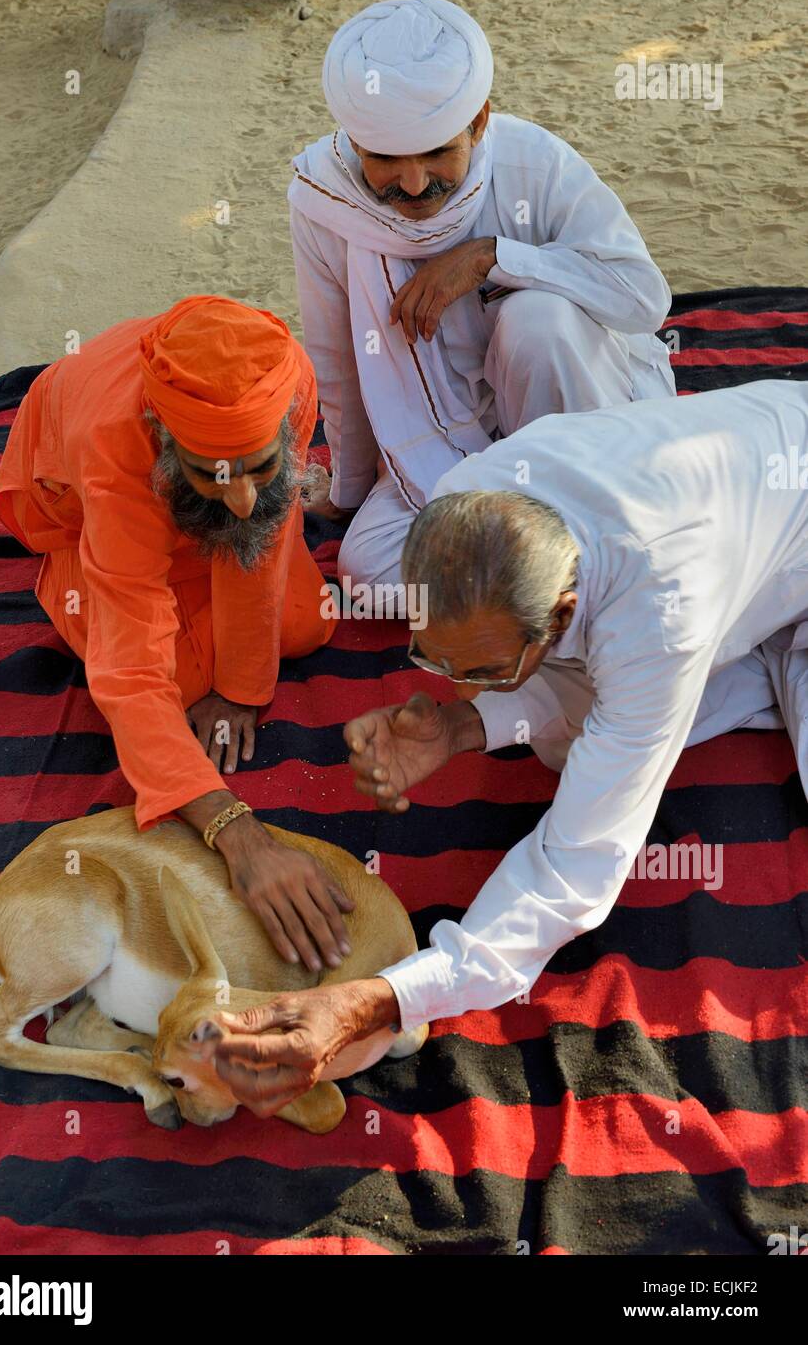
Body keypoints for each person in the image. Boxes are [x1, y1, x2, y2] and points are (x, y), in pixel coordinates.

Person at [200, 378, 808, 1118]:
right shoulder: (468, 497)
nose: (454, 687)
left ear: (563, 611)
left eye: (481, 672)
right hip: (743, 524)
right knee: (572, 745)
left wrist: (381, 999)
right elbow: (571, 684)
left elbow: (572, 873)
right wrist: (465, 726)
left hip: (770, 532)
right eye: (435, 660)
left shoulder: (660, 613)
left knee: (601, 741)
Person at [0, 294, 354, 973]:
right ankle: (66, 573)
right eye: (214, 474)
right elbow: (131, 675)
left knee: (304, 628)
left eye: (262, 467)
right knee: (173, 681)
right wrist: (235, 833)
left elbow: (260, 531)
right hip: (88, 504)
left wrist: (244, 689)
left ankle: (205, 536)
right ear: (162, 435)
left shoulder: (288, 378)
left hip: (165, 487)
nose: (243, 497)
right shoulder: (113, 444)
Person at [290, 0, 675, 590]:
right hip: (445, 434)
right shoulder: (325, 200)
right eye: (386, 159)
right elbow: (341, 357)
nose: (414, 185)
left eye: (439, 151)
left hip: (579, 409)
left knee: (538, 320)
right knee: (369, 572)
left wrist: (494, 257)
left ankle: (578, 522)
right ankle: (559, 562)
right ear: (354, 142)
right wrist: (347, 492)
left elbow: (641, 298)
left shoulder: (534, 162)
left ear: (478, 122)